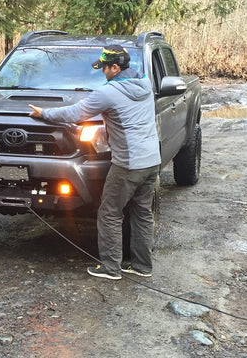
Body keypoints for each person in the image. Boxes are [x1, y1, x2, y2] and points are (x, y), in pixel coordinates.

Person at [29, 44, 161, 280]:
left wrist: (44, 114)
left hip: (128, 164)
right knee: (141, 213)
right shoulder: (145, 85)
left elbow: (75, 113)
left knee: (109, 213)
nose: (102, 73)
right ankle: (143, 266)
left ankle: (111, 268)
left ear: (115, 67)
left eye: (104, 68)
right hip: (151, 161)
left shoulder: (108, 92)